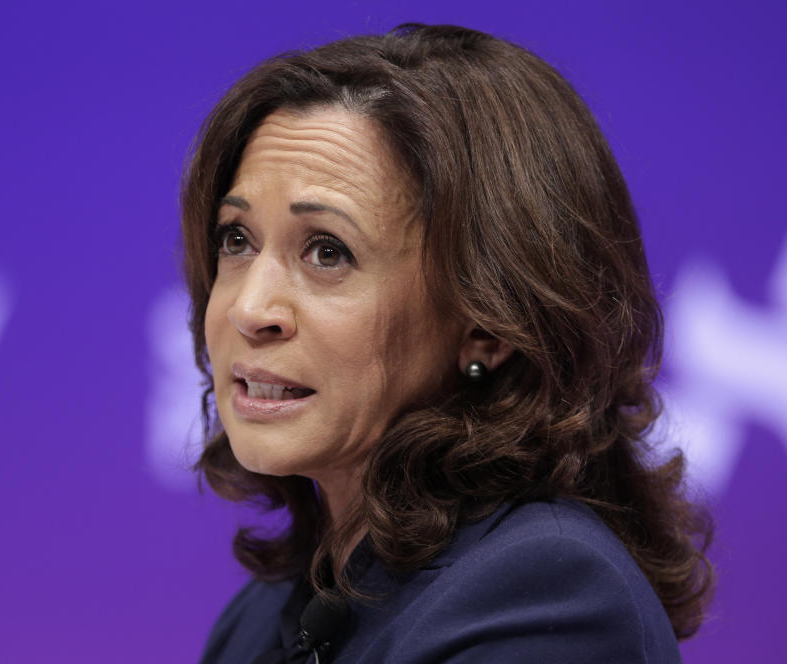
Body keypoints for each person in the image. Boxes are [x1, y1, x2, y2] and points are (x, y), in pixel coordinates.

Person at [181, 24, 713, 664]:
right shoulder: (262, 617)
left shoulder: (547, 602)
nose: (248, 308)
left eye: (327, 251)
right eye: (237, 240)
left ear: (489, 327)